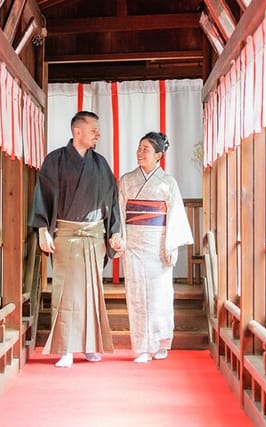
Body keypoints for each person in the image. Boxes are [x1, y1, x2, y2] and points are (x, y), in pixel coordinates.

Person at [29, 111, 124, 368]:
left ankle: (92, 345)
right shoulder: (55, 161)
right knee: (66, 293)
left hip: (94, 236)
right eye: (94, 130)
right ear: (77, 131)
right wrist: (41, 230)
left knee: (93, 292)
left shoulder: (101, 164)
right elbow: (43, 196)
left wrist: (115, 232)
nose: (98, 134)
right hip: (66, 234)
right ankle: (66, 348)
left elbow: (112, 201)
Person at [118, 131, 193, 363]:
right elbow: (120, 212)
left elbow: (175, 216)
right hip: (134, 244)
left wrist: (171, 245)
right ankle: (141, 346)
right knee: (137, 294)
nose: (140, 153)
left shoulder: (168, 183)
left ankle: (161, 343)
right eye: (139, 148)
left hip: (158, 244)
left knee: (160, 296)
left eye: (146, 150)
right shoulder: (127, 180)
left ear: (159, 155)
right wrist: (120, 239)